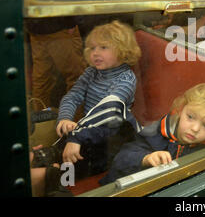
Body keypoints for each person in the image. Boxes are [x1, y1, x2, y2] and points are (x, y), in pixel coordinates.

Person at [32, 21, 142, 182]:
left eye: (103, 48)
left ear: (123, 50)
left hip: (110, 138)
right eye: (92, 48)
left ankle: (58, 178)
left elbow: (109, 110)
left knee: (68, 164)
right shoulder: (91, 72)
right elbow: (72, 96)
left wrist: (78, 136)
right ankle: (51, 165)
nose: (95, 53)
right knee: (53, 154)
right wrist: (65, 118)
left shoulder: (126, 79)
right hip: (88, 132)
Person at [100, 83, 205, 185]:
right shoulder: (157, 131)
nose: (195, 128)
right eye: (191, 117)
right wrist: (145, 158)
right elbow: (121, 160)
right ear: (180, 110)